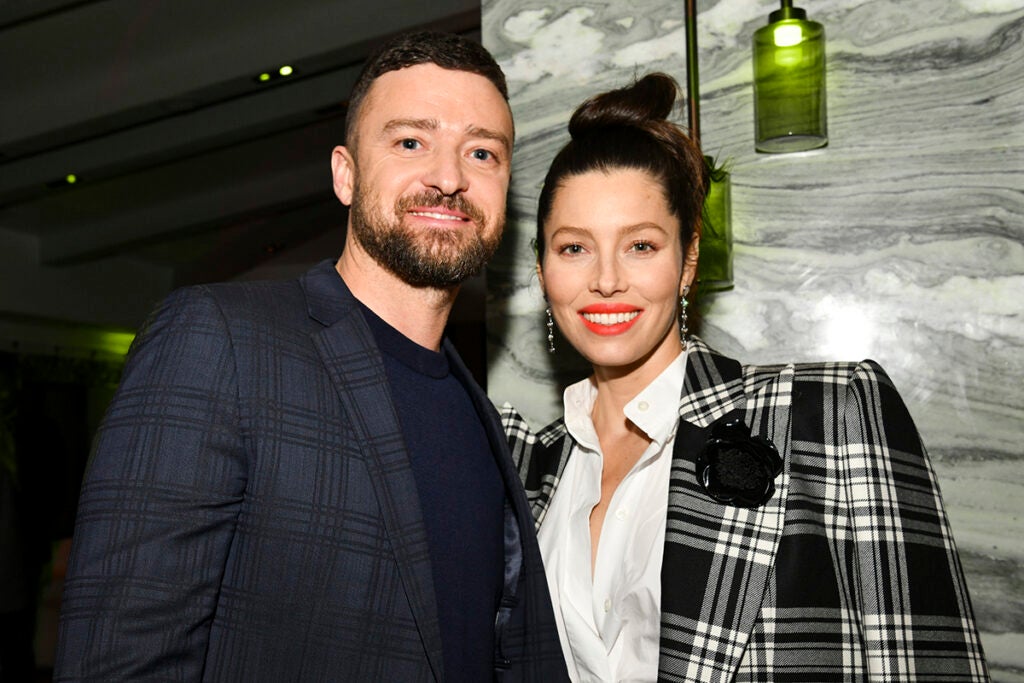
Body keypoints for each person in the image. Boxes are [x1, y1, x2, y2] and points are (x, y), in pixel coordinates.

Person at [54, 31, 567, 682]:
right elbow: (118, 663)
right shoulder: (219, 339)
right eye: (411, 141)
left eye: (482, 152)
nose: (449, 177)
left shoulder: (479, 411)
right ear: (345, 174)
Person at [501, 73, 989, 682]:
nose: (605, 279)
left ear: (689, 261)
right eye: (574, 248)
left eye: (641, 246)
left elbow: (927, 661)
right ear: (542, 268)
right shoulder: (523, 471)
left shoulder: (826, 414)